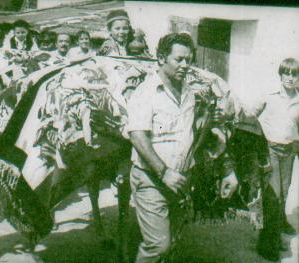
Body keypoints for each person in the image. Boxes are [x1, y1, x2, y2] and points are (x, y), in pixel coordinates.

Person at [127, 32, 237, 262]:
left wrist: (228, 170)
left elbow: (202, 135)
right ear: (161, 59)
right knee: (158, 245)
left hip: (182, 180)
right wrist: (164, 172)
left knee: (173, 239)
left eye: (189, 60)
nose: (185, 65)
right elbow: (138, 136)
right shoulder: (146, 92)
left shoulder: (190, 93)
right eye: (179, 59)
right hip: (151, 180)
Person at [245, 58, 299, 261]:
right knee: (273, 198)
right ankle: (266, 245)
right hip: (269, 151)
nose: (291, 78)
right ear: (281, 75)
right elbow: (249, 116)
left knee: (283, 197)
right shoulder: (270, 97)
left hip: (289, 152)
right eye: (287, 73)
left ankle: (273, 237)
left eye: (295, 74)